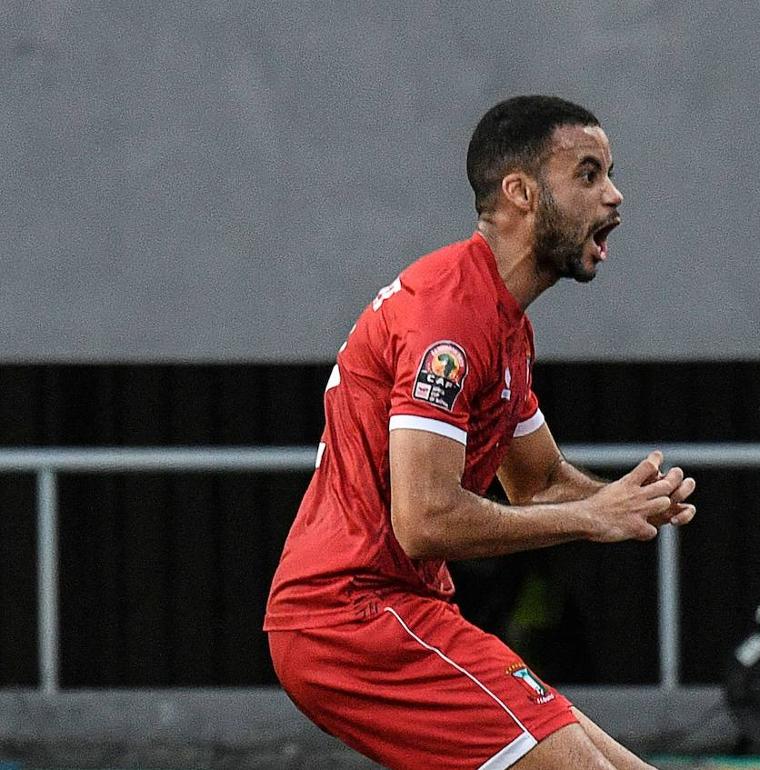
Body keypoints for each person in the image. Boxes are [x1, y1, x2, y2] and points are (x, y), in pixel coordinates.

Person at [264, 95, 697, 770]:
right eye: (588, 174)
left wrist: (622, 499)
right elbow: (425, 520)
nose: (614, 195)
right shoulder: (450, 318)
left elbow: (538, 482)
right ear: (521, 193)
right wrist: (591, 517)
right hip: (352, 618)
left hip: (400, 611)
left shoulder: (503, 328)